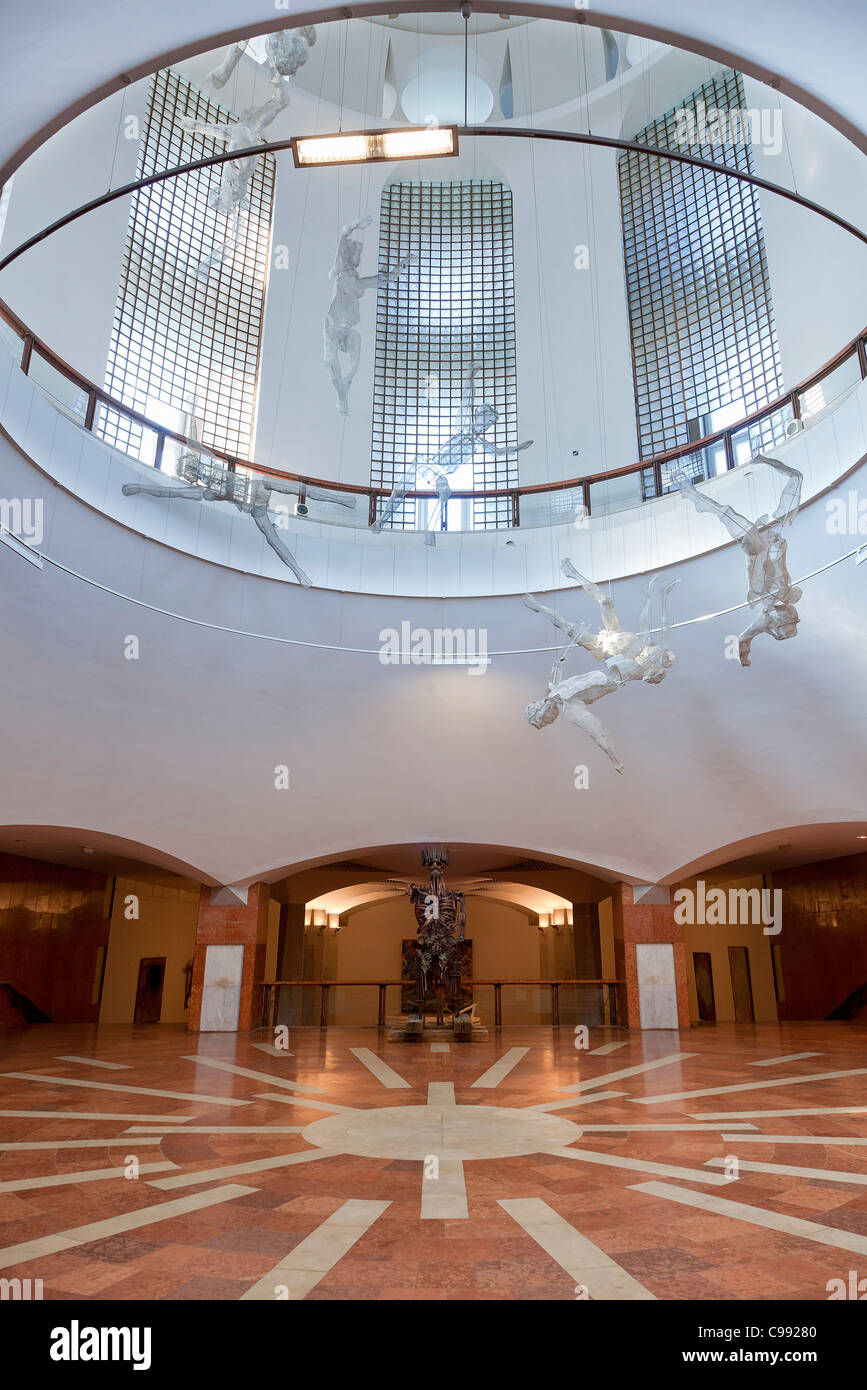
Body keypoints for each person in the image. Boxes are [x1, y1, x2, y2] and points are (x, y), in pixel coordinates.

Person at [523, 561, 679, 772]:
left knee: (605, 602)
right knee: (650, 640)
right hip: (621, 669)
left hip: (609, 649)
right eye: (542, 716)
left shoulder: (553, 687)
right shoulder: (571, 709)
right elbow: (597, 731)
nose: (542, 710)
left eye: (537, 710)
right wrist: (614, 759)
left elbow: (559, 665)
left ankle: (571, 578)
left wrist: (559, 662)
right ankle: (655, 592)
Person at [371, 363, 533, 538]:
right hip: (430, 464)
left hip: (439, 473)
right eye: (485, 421)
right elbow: (467, 398)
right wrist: (470, 376)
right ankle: (381, 519)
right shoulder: (462, 426)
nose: (485, 426)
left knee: (445, 491)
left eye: (489, 424)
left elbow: (499, 451)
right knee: (402, 487)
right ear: (477, 416)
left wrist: (519, 447)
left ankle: (430, 529)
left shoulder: (479, 442)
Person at [674, 454, 802, 666]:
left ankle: (690, 493)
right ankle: (763, 460)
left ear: (775, 625)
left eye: (787, 620)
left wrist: (743, 659)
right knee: (797, 478)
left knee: (727, 513)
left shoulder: (764, 619)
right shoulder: (787, 597)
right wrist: (766, 461)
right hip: (773, 541)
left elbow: (744, 638)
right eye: (792, 618)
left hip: (756, 553)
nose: (789, 616)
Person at [324, 216, 415, 416]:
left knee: (354, 364)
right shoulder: (340, 270)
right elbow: (343, 233)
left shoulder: (361, 282)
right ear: (349, 255)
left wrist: (403, 263)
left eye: (360, 255)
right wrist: (355, 224)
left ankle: (343, 393)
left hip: (349, 328)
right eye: (356, 253)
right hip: (333, 324)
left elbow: (388, 278)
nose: (358, 257)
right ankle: (341, 398)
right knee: (330, 360)